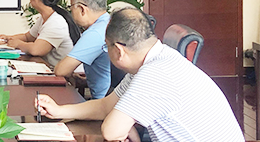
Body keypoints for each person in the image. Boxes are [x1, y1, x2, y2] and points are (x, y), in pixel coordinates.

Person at [37, 8, 244, 142]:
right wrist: (60, 110)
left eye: (106, 47)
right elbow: (106, 106)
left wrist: (125, 127)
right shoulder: (153, 60)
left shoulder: (155, 72)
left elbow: (112, 131)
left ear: (119, 50)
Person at [0, 0, 80, 67]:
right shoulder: (46, 17)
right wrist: (8, 38)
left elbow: (37, 50)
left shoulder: (56, 22)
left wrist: (18, 44)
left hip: (62, 73)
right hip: (49, 67)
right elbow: (28, 37)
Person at [54, 0, 111, 99]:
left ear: (81, 9)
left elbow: (61, 71)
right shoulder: (110, 23)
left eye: (71, 7)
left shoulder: (95, 33)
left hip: (103, 104)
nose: (70, 11)